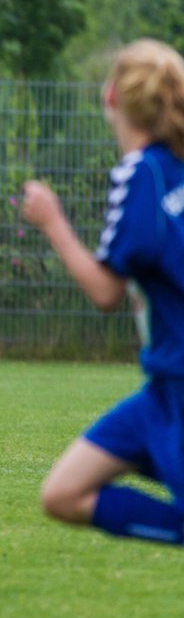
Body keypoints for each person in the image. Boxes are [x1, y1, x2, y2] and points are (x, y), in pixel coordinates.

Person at [23, 38, 184, 546]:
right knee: (63, 493)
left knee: (66, 495)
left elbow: (105, 291)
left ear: (111, 97)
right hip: (161, 389)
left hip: (180, 386)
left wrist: (51, 221)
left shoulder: (141, 173)